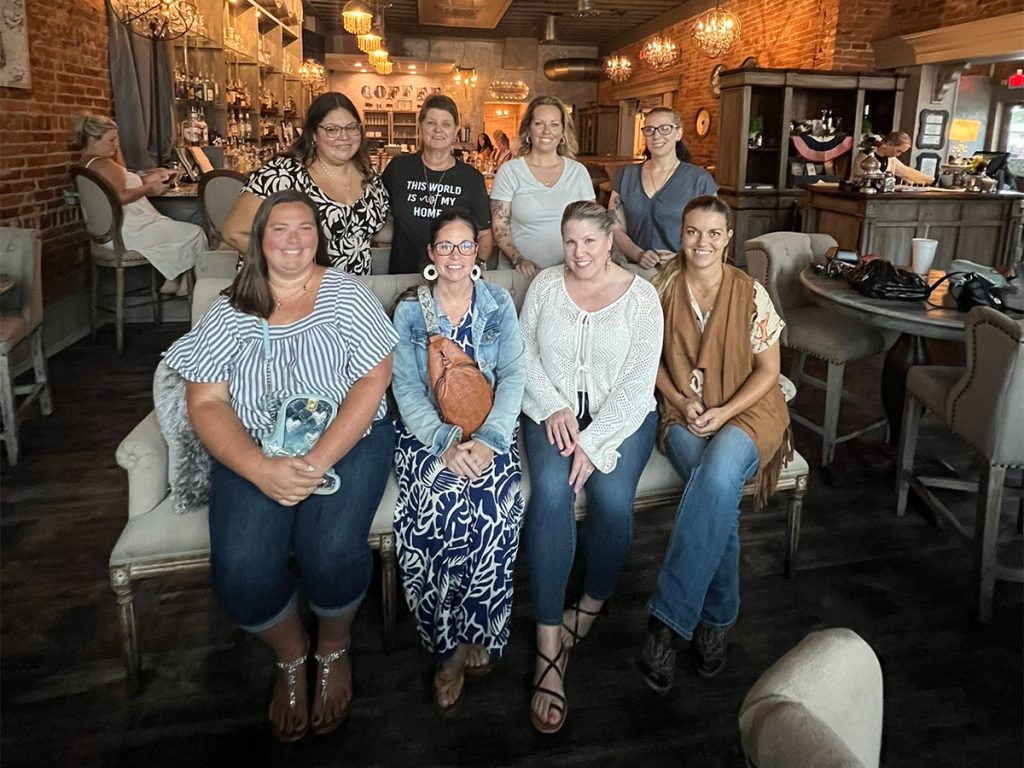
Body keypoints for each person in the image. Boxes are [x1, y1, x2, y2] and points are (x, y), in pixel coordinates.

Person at [164, 189, 397, 742]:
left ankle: (334, 645)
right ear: (260, 239)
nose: (294, 241)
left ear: (319, 238)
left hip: (348, 438)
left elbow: (372, 381)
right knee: (241, 569)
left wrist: (316, 461)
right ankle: (291, 655)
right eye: (280, 230)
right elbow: (207, 402)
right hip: (256, 447)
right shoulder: (228, 309)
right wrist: (257, 467)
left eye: (305, 230)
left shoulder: (345, 295)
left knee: (332, 547)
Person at [637, 195, 791, 694]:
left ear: (728, 238)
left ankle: (667, 621)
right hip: (682, 412)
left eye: (712, 233)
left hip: (746, 410)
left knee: (721, 470)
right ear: (681, 235)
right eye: (692, 232)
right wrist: (681, 403)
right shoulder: (660, 287)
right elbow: (649, 362)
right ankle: (718, 620)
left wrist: (724, 413)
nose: (701, 242)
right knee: (719, 498)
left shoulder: (751, 293)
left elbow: (770, 371)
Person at [520, 200, 663, 733]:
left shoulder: (642, 297)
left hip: (621, 417)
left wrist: (594, 442)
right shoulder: (545, 287)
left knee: (608, 495)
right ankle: (549, 644)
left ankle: (595, 600)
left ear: (610, 240)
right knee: (552, 494)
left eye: (590, 241)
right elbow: (523, 352)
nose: (578, 253)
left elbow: (637, 384)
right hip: (550, 411)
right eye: (570, 241)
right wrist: (555, 406)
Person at [390, 209, 526, 717]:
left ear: (477, 252)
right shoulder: (409, 312)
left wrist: (490, 440)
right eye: (444, 246)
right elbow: (405, 388)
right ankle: (446, 650)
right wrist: (446, 444)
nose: (453, 255)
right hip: (428, 439)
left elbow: (513, 376)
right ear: (430, 253)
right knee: (441, 510)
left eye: (464, 246)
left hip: (490, 432)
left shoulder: (497, 304)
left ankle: (479, 628)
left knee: (496, 510)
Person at [223, 92, 389, 274]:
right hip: (289, 293)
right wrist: (290, 269)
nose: (344, 137)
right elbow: (234, 233)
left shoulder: (369, 176)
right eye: (332, 129)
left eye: (351, 127)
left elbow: (373, 228)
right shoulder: (284, 173)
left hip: (350, 294)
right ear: (314, 135)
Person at [72, 114, 205, 296]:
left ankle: (172, 281)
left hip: (108, 233)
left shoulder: (86, 164)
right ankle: (189, 288)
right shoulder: (104, 164)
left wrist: (150, 177)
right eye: (111, 139)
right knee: (195, 233)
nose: (116, 144)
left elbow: (121, 184)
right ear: (93, 140)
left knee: (174, 230)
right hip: (128, 232)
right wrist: (150, 187)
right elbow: (120, 196)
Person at [381, 94, 493, 274]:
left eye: (446, 124)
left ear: (456, 129)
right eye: (431, 123)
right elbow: (378, 215)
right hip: (403, 275)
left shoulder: (471, 178)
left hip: (453, 279)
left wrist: (477, 267)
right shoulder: (398, 168)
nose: (438, 130)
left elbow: (484, 234)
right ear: (420, 126)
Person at [490, 96, 595, 277]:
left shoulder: (578, 172)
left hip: (569, 274)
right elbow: (500, 227)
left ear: (563, 131)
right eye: (539, 123)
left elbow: (593, 224)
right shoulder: (510, 171)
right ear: (528, 130)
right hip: (520, 273)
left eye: (554, 124)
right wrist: (519, 260)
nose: (547, 131)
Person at [609, 107, 718, 270]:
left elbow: (714, 233)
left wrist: (681, 257)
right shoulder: (627, 175)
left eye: (665, 129)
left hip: (683, 270)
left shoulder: (699, 179)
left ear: (678, 133)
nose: (656, 135)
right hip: (633, 270)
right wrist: (638, 254)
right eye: (649, 130)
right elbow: (615, 227)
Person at [849, 131, 934, 185]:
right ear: (888, 144)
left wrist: (931, 180)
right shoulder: (866, 158)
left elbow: (907, 172)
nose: (899, 155)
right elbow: (871, 179)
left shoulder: (891, 159)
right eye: (898, 151)